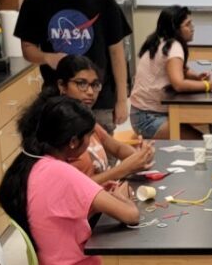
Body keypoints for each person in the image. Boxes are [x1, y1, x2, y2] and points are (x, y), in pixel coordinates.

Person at [0, 94, 212, 265]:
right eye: (87, 138)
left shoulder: (32, 163)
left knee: (170, 262)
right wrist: (121, 197)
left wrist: (103, 198)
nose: (89, 143)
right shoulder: (61, 172)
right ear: (72, 142)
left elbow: (62, 213)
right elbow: (131, 215)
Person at [14, 0, 132, 129]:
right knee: (62, 158)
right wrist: (46, 58)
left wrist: (122, 100)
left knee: (102, 158)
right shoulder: (36, 0)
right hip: (57, 102)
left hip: (98, 100)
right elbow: (28, 49)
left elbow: (116, 52)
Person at [128, 5, 212, 140]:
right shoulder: (174, 47)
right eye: (187, 24)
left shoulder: (160, 40)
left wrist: (195, 76)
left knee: (204, 126)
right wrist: (210, 85)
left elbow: (176, 69)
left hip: (141, 113)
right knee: (201, 141)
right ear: (175, 29)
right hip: (148, 118)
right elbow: (178, 84)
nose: (192, 28)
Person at [52, 55, 155, 184]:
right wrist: (124, 168)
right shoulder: (56, 130)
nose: (90, 92)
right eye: (81, 84)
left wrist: (139, 156)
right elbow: (76, 187)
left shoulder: (87, 120)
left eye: (94, 85)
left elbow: (117, 148)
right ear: (62, 86)